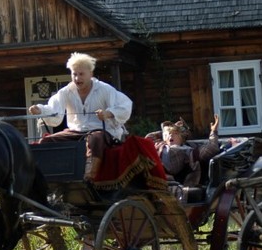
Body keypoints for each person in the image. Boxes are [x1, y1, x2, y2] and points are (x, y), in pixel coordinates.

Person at [28, 52, 133, 180]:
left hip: (103, 131)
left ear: (91, 74)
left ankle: (89, 176)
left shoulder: (105, 89)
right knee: (47, 141)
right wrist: (39, 110)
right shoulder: (66, 92)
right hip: (75, 131)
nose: (77, 78)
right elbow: (54, 110)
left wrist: (108, 113)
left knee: (94, 139)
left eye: (81, 74)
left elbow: (125, 105)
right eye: (74, 74)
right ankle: (50, 177)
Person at [146, 115, 220, 185]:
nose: (170, 135)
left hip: (168, 178)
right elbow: (148, 138)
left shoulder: (189, 151)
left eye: (175, 133)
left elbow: (211, 148)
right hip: (149, 168)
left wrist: (213, 132)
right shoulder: (160, 144)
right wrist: (167, 129)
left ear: (182, 138)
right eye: (167, 134)